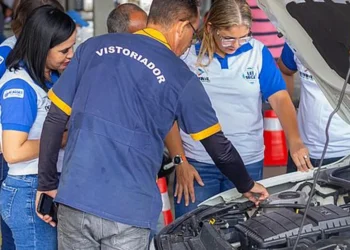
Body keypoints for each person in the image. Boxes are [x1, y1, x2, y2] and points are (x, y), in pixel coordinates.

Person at [36, 0, 269, 249]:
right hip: (128, 212)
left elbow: (55, 119)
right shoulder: (181, 77)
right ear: (181, 27)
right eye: (194, 31)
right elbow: (219, 148)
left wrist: (47, 183)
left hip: (76, 199)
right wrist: (247, 184)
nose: (192, 41)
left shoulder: (93, 47)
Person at [168, 0, 312, 218]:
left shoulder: (257, 52)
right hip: (197, 164)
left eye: (243, 37)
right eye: (228, 38)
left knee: (240, 232)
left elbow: (280, 99)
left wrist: (295, 141)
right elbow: (169, 113)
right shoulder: (187, 56)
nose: (236, 44)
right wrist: (180, 161)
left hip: (247, 162)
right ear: (210, 28)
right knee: (191, 233)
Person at [0, 5, 76, 249]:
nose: (71, 54)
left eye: (73, 46)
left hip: (47, 183)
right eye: (64, 50)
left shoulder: (49, 78)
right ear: (42, 46)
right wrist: (62, 138)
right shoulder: (20, 87)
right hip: (27, 189)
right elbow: (13, 151)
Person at [278, 44, 350, 172]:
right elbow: (284, 70)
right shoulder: (299, 38)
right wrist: (289, 111)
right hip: (302, 152)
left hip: (345, 153)